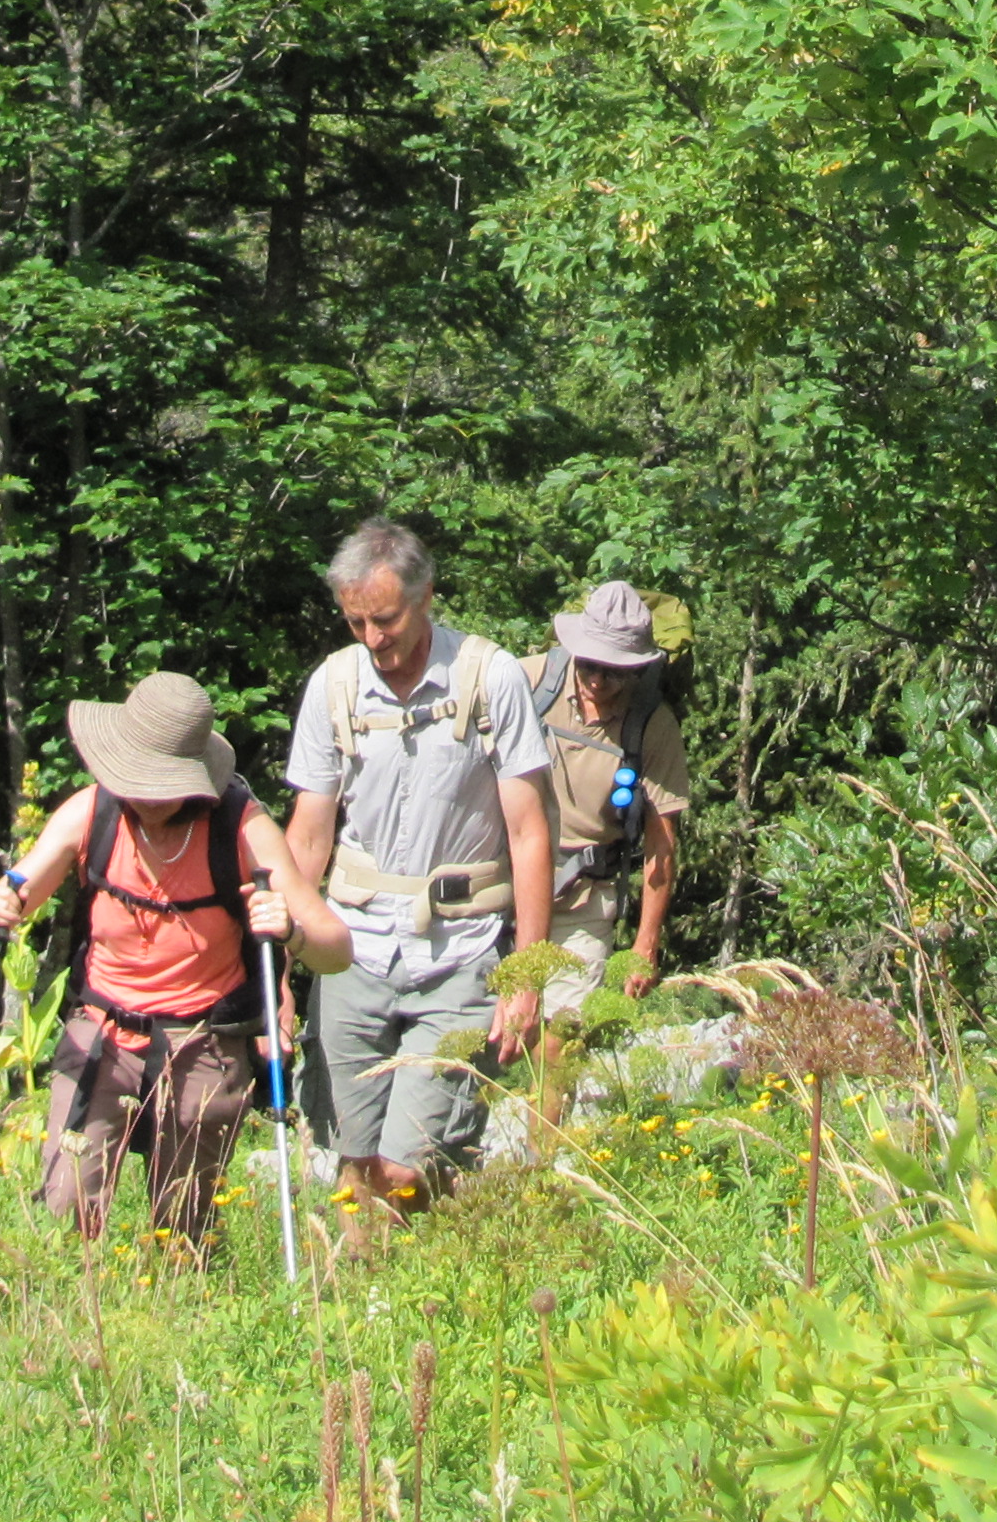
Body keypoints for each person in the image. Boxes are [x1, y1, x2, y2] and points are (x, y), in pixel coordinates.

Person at [0, 670, 346, 1250]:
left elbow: (336, 948)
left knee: (185, 1228)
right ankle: (69, 1315)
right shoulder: (91, 813)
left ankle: (184, 1313)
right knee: (64, 1206)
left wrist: (290, 930)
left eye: (158, 783)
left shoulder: (242, 828)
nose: (141, 794)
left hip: (204, 1040)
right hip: (102, 1031)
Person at [283, 516, 554, 1231]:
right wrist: (281, 968)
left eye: (386, 619)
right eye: (356, 623)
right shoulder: (333, 687)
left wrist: (526, 977)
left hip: (461, 952)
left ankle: (432, 1286)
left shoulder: (490, 678)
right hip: (350, 954)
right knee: (354, 1161)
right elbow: (307, 840)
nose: (374, 639)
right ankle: (365, 1311)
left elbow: (530, 834)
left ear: (426, 595)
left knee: (412, 1164)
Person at [519, 581, 691, 1016]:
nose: (598, 679)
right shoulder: (529, 681)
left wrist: (645, 943)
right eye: (589, 664)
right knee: (492, 1034)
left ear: (636, 668)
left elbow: (662, 842)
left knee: (560, 1038)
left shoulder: (653, 725)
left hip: (583, 899)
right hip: (507, 884)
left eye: (614, 671)